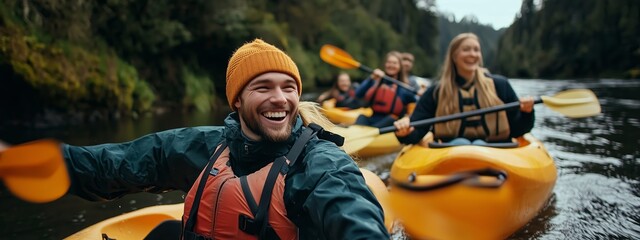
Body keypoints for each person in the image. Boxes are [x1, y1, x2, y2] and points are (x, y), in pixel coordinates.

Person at [58, 39, 389, 239]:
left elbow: (351, 213)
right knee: (163, 234)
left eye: (288, 88)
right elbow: (114, 164)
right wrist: (50, 162)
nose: (280, 98)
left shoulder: (318, 162)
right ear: (237, 101)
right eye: (263, 88)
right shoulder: (205, 146)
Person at [394, 33, 535, 146]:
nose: (472, 54)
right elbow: (417, 131)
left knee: (478, 144)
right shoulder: (436, 91)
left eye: (476, 50)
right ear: (454, 56)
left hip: (497, 151)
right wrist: (404, 132)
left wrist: (527, 112)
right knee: (461, 143)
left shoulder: (500, 85)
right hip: (451, 154)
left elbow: (518, 130)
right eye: (466, 49)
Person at [354, 51, 417, 128]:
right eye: (389, 62)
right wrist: (371, 78)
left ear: (400, 66)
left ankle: (369, 133)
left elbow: (415, 105)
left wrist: (407, 118)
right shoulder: (376, 81)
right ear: (385, 64)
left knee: (390, 119)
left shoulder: (404, 88)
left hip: (391, 124)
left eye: (394, 63)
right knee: (362, 117)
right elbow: (358, 94)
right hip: (373, 118)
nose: (391, 65)